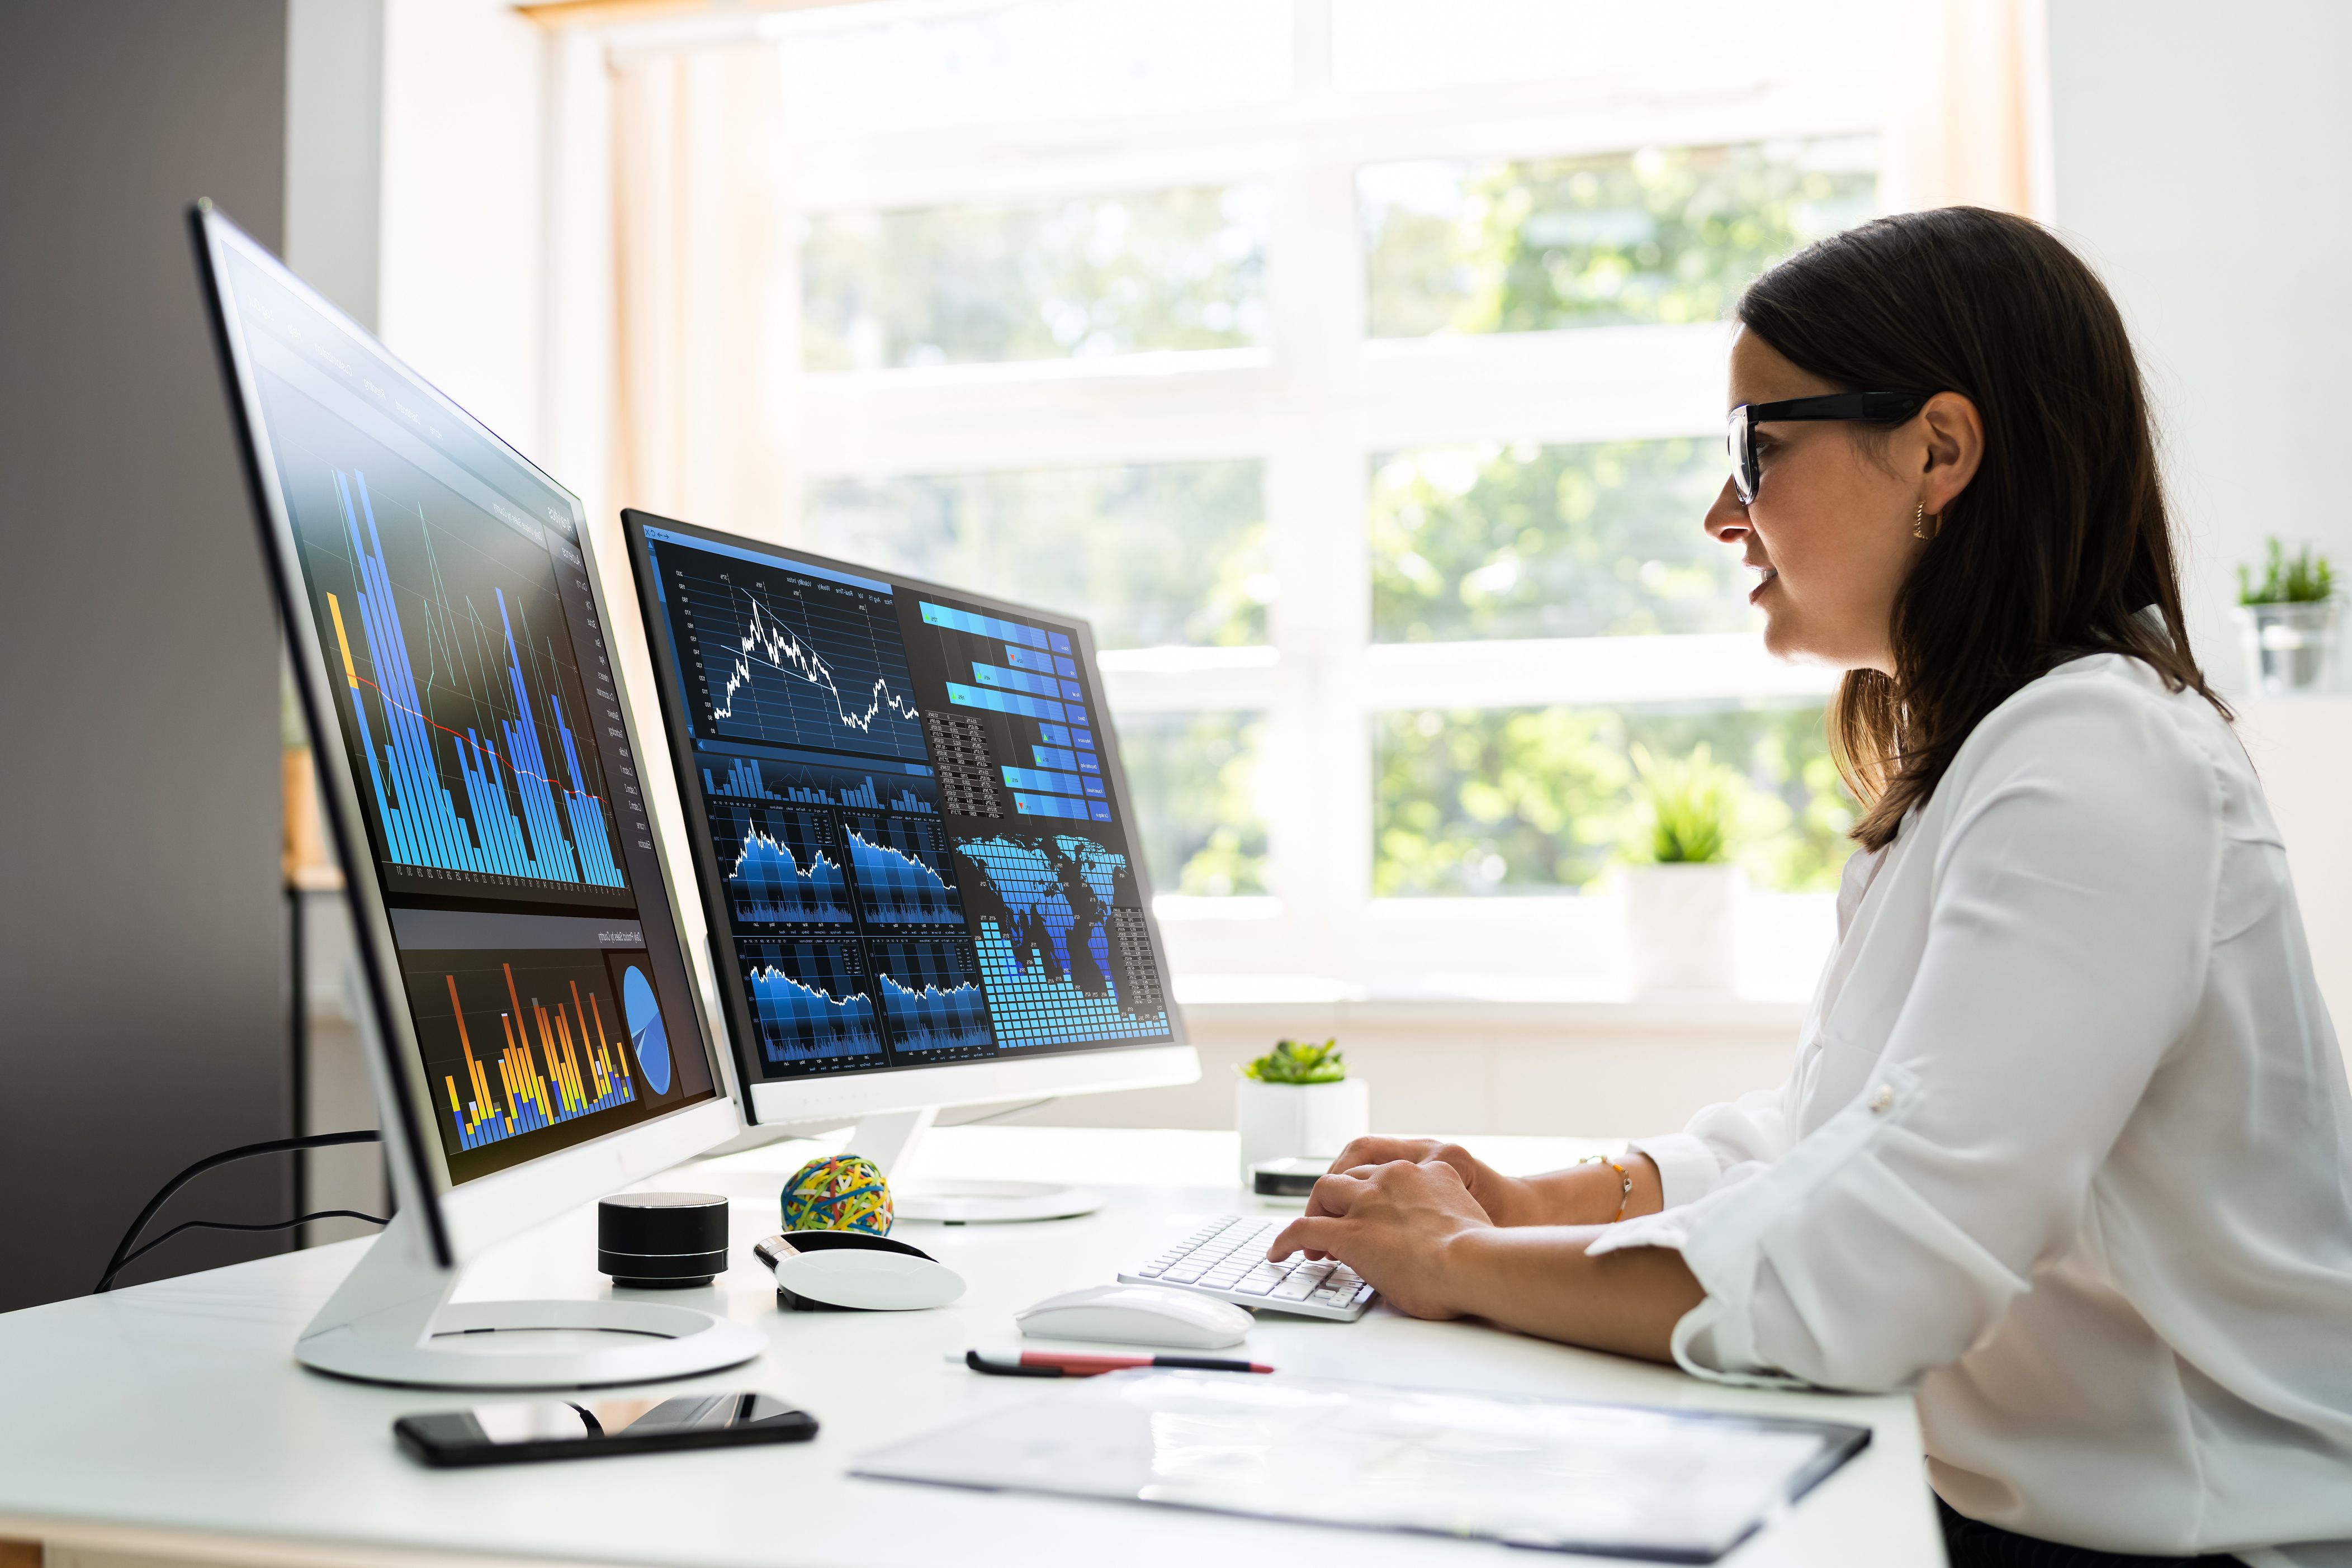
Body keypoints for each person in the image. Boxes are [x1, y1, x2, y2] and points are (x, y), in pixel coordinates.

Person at [1270, 206, 2352, 1568]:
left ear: (1938, 451)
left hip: (2200, 1539)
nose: (1725, 512)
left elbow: (1879, 1268)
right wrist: (1530, 1197)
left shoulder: (2099, 756)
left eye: (1757, 448)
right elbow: (1828, 1138)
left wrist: (1457, 1265)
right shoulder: (1996, 755)